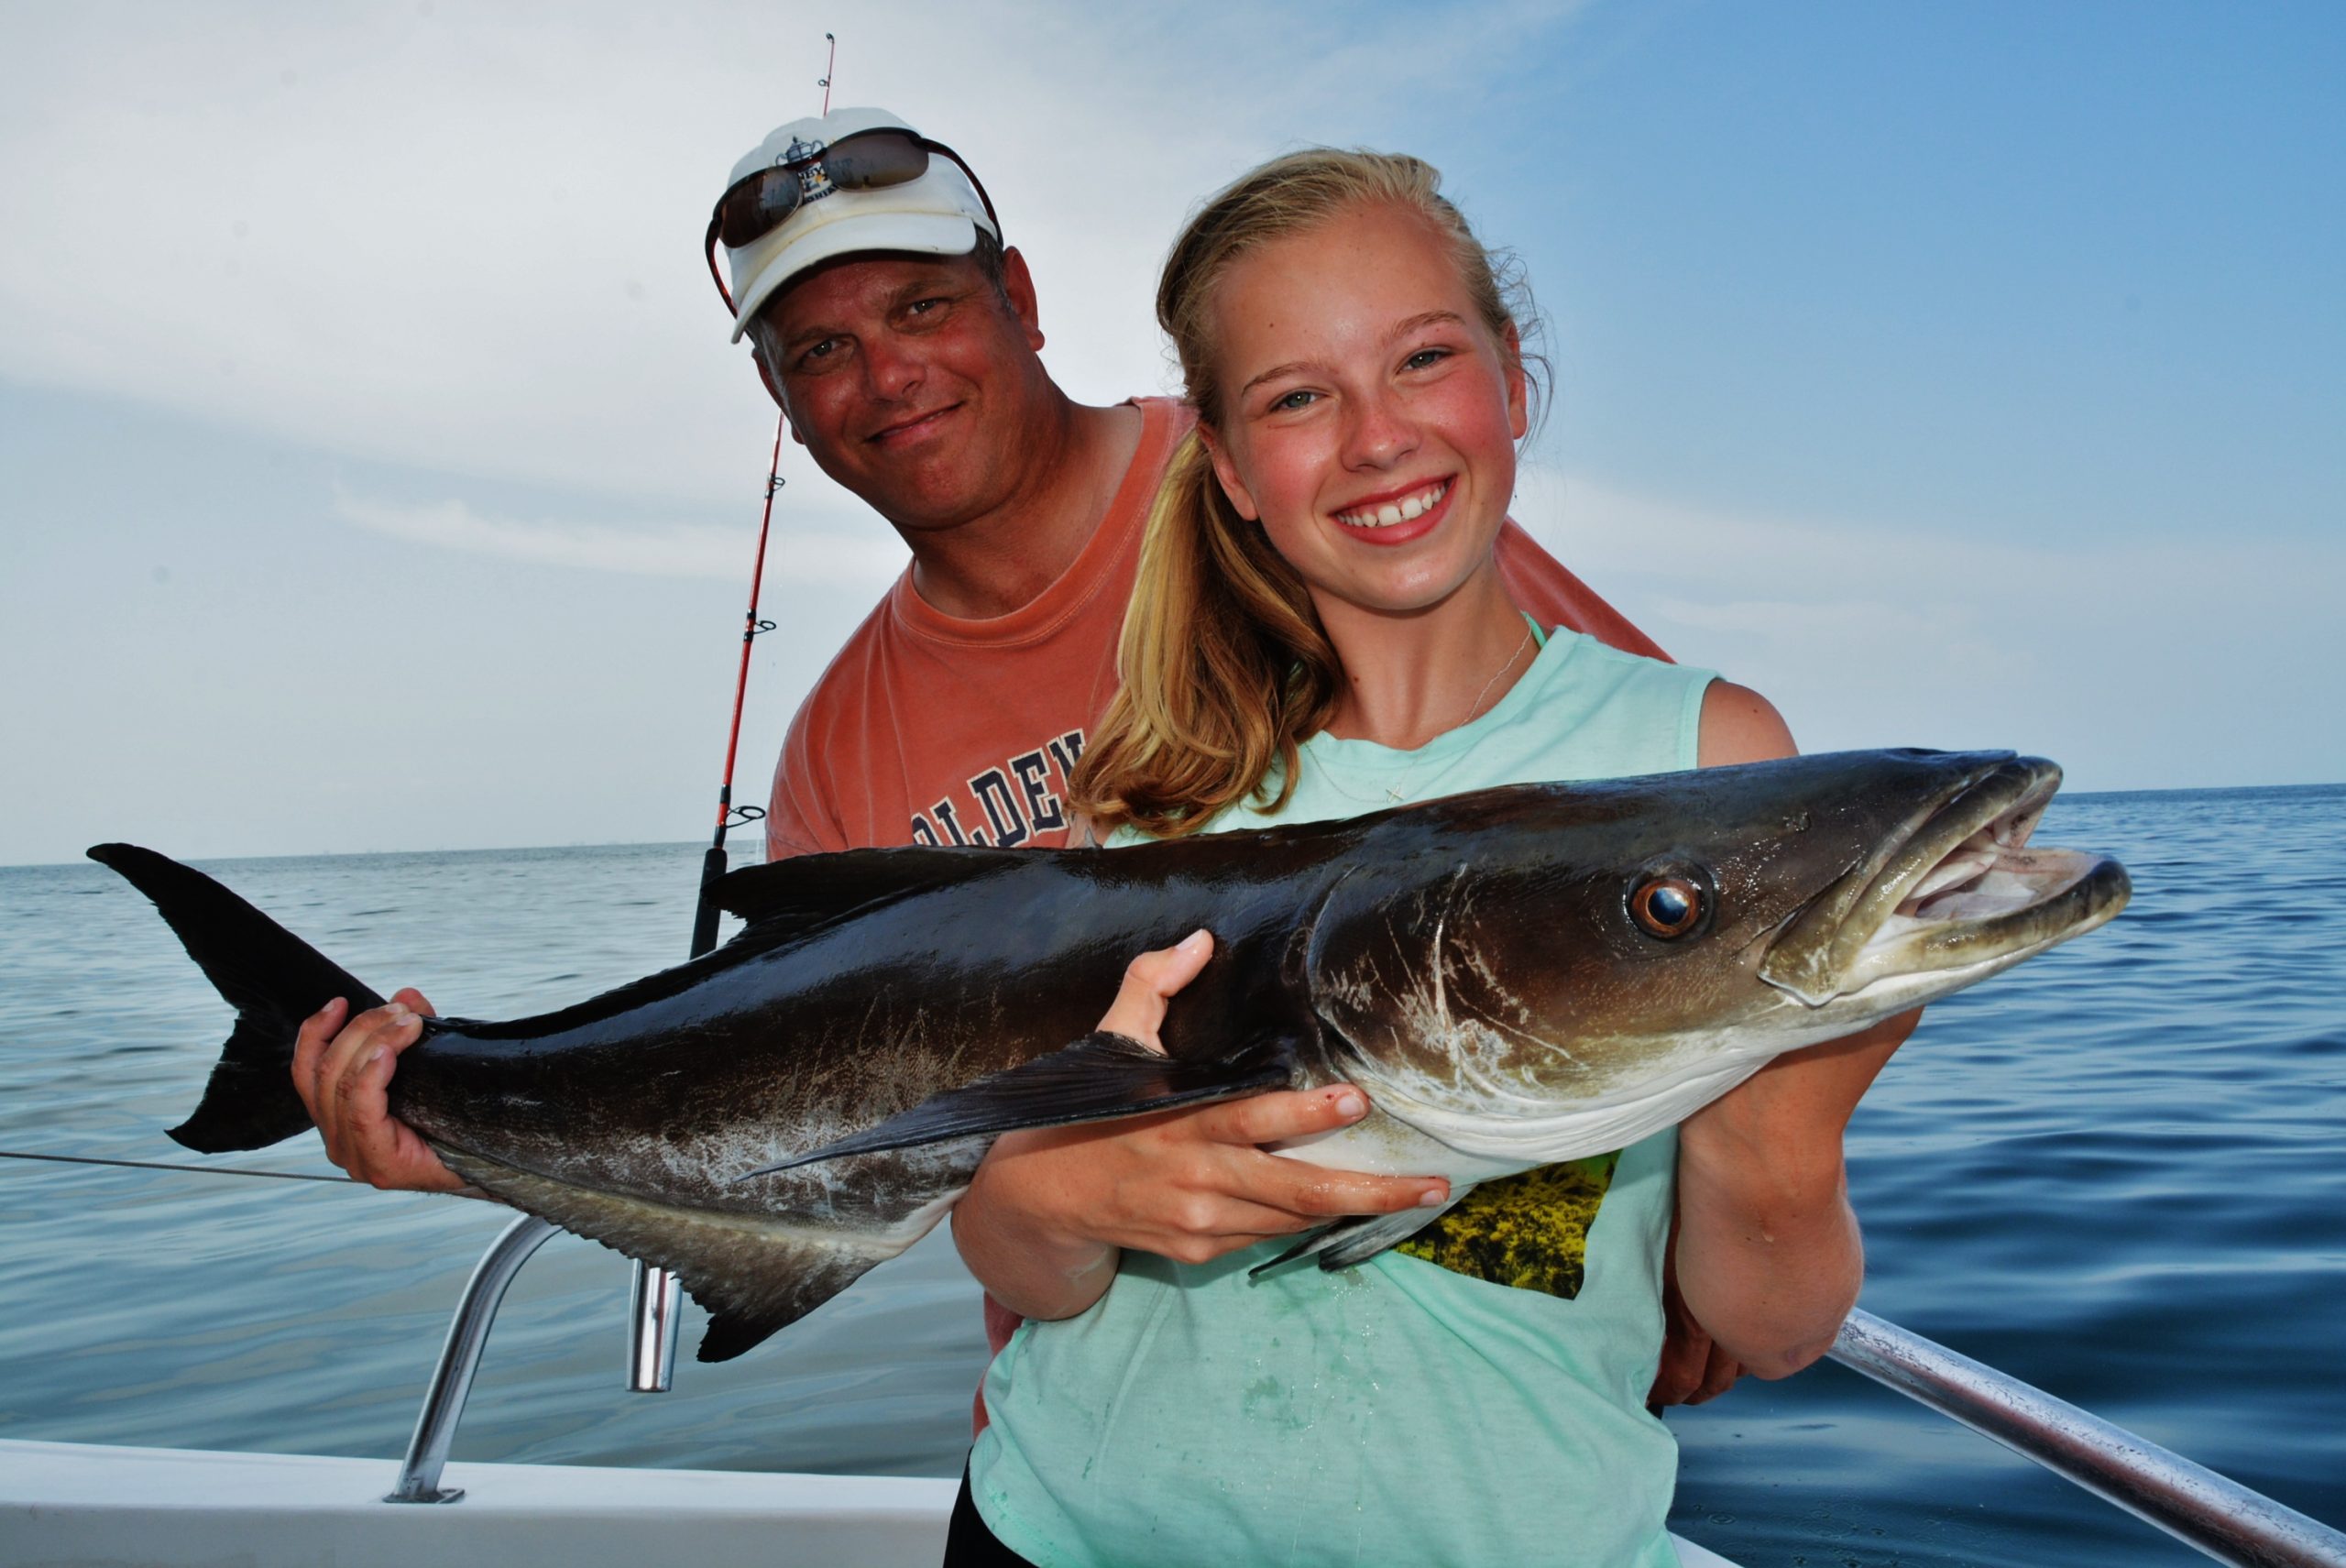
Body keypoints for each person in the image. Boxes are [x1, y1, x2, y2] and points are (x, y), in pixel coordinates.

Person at [288, 109, 1735, 1406]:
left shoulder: (1308, 472)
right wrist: (464, 1122)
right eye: (822, 351)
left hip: (1486, 1401)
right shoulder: (838, 747)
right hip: (1092, 1427)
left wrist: (1713, 1219)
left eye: (922, 305)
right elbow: (830, 1155)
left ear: (1021, 299)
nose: (890, 374)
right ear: (785, 405)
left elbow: (1649, 851)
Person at [944, 148, 1916, 1567]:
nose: (1378, 437)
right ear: (1229, 468)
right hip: (1072, 1538)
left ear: (1513, 382)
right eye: (1297, 397)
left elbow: (1770, 1330)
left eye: (1422, 359)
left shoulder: (1700, 756)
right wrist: (1043, 1196)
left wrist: (1790, 1127)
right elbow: (1028, 1270)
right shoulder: (1142, 809)